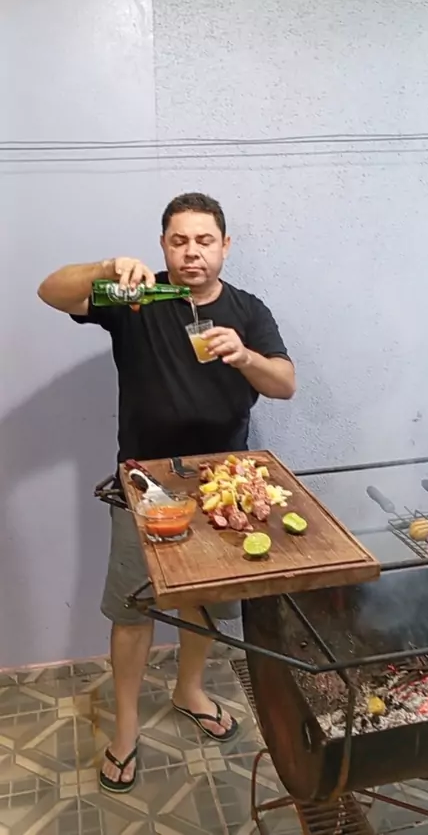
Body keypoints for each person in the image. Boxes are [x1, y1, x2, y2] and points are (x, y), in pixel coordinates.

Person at [37, 192, 296, 793]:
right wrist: (106, 268)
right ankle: (126, 730)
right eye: (179, 240)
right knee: (133, 610)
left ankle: (189, 690)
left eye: (204, 240)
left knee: (200, 601)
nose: (191, 252)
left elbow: (284, 384)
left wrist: (245, 355)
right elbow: (51, 292)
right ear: (163, 246)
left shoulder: (247, 309)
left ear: (224, 246)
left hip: (222, 484)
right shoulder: (137, 297)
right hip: (144, 483)